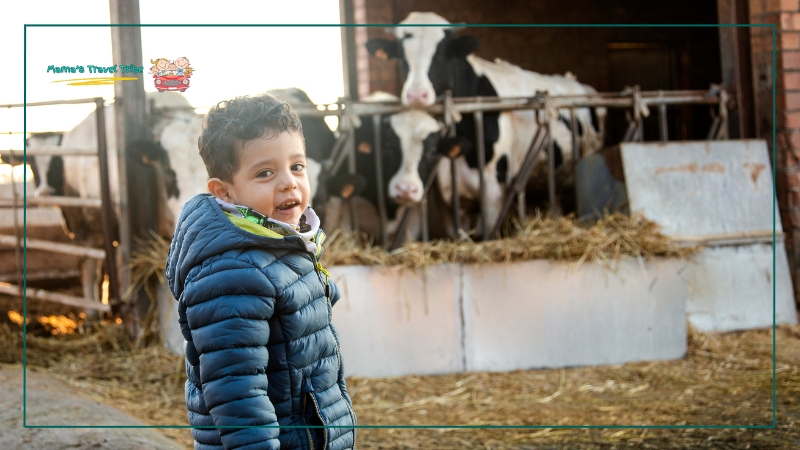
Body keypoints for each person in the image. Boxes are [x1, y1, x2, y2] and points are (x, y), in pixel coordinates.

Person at [165, 93, 357, 450]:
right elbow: (238, 394)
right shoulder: (231, 272)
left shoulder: (279, 241)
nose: (289, 183)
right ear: (225, 191)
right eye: (265, 172)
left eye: (296, 166)